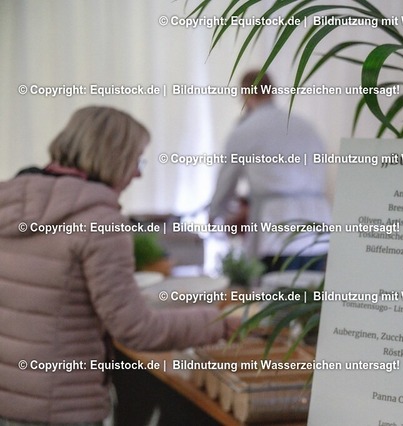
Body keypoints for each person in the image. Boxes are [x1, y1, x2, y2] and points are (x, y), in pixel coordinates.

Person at [0, 106, 228, 425]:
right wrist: (220, 323)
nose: (138, 174)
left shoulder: (10, 203)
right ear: (115, 157)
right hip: (62, 408)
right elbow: (137, 329)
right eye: (137, 161)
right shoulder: (101, 223)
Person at [209, 70, 332, 273]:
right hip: (319, 232)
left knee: (276, 292)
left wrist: (214, 215)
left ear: (246, 95)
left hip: (277, 235)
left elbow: (226, 182)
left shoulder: (245, 130)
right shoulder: (306, 126)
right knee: (311, 292)